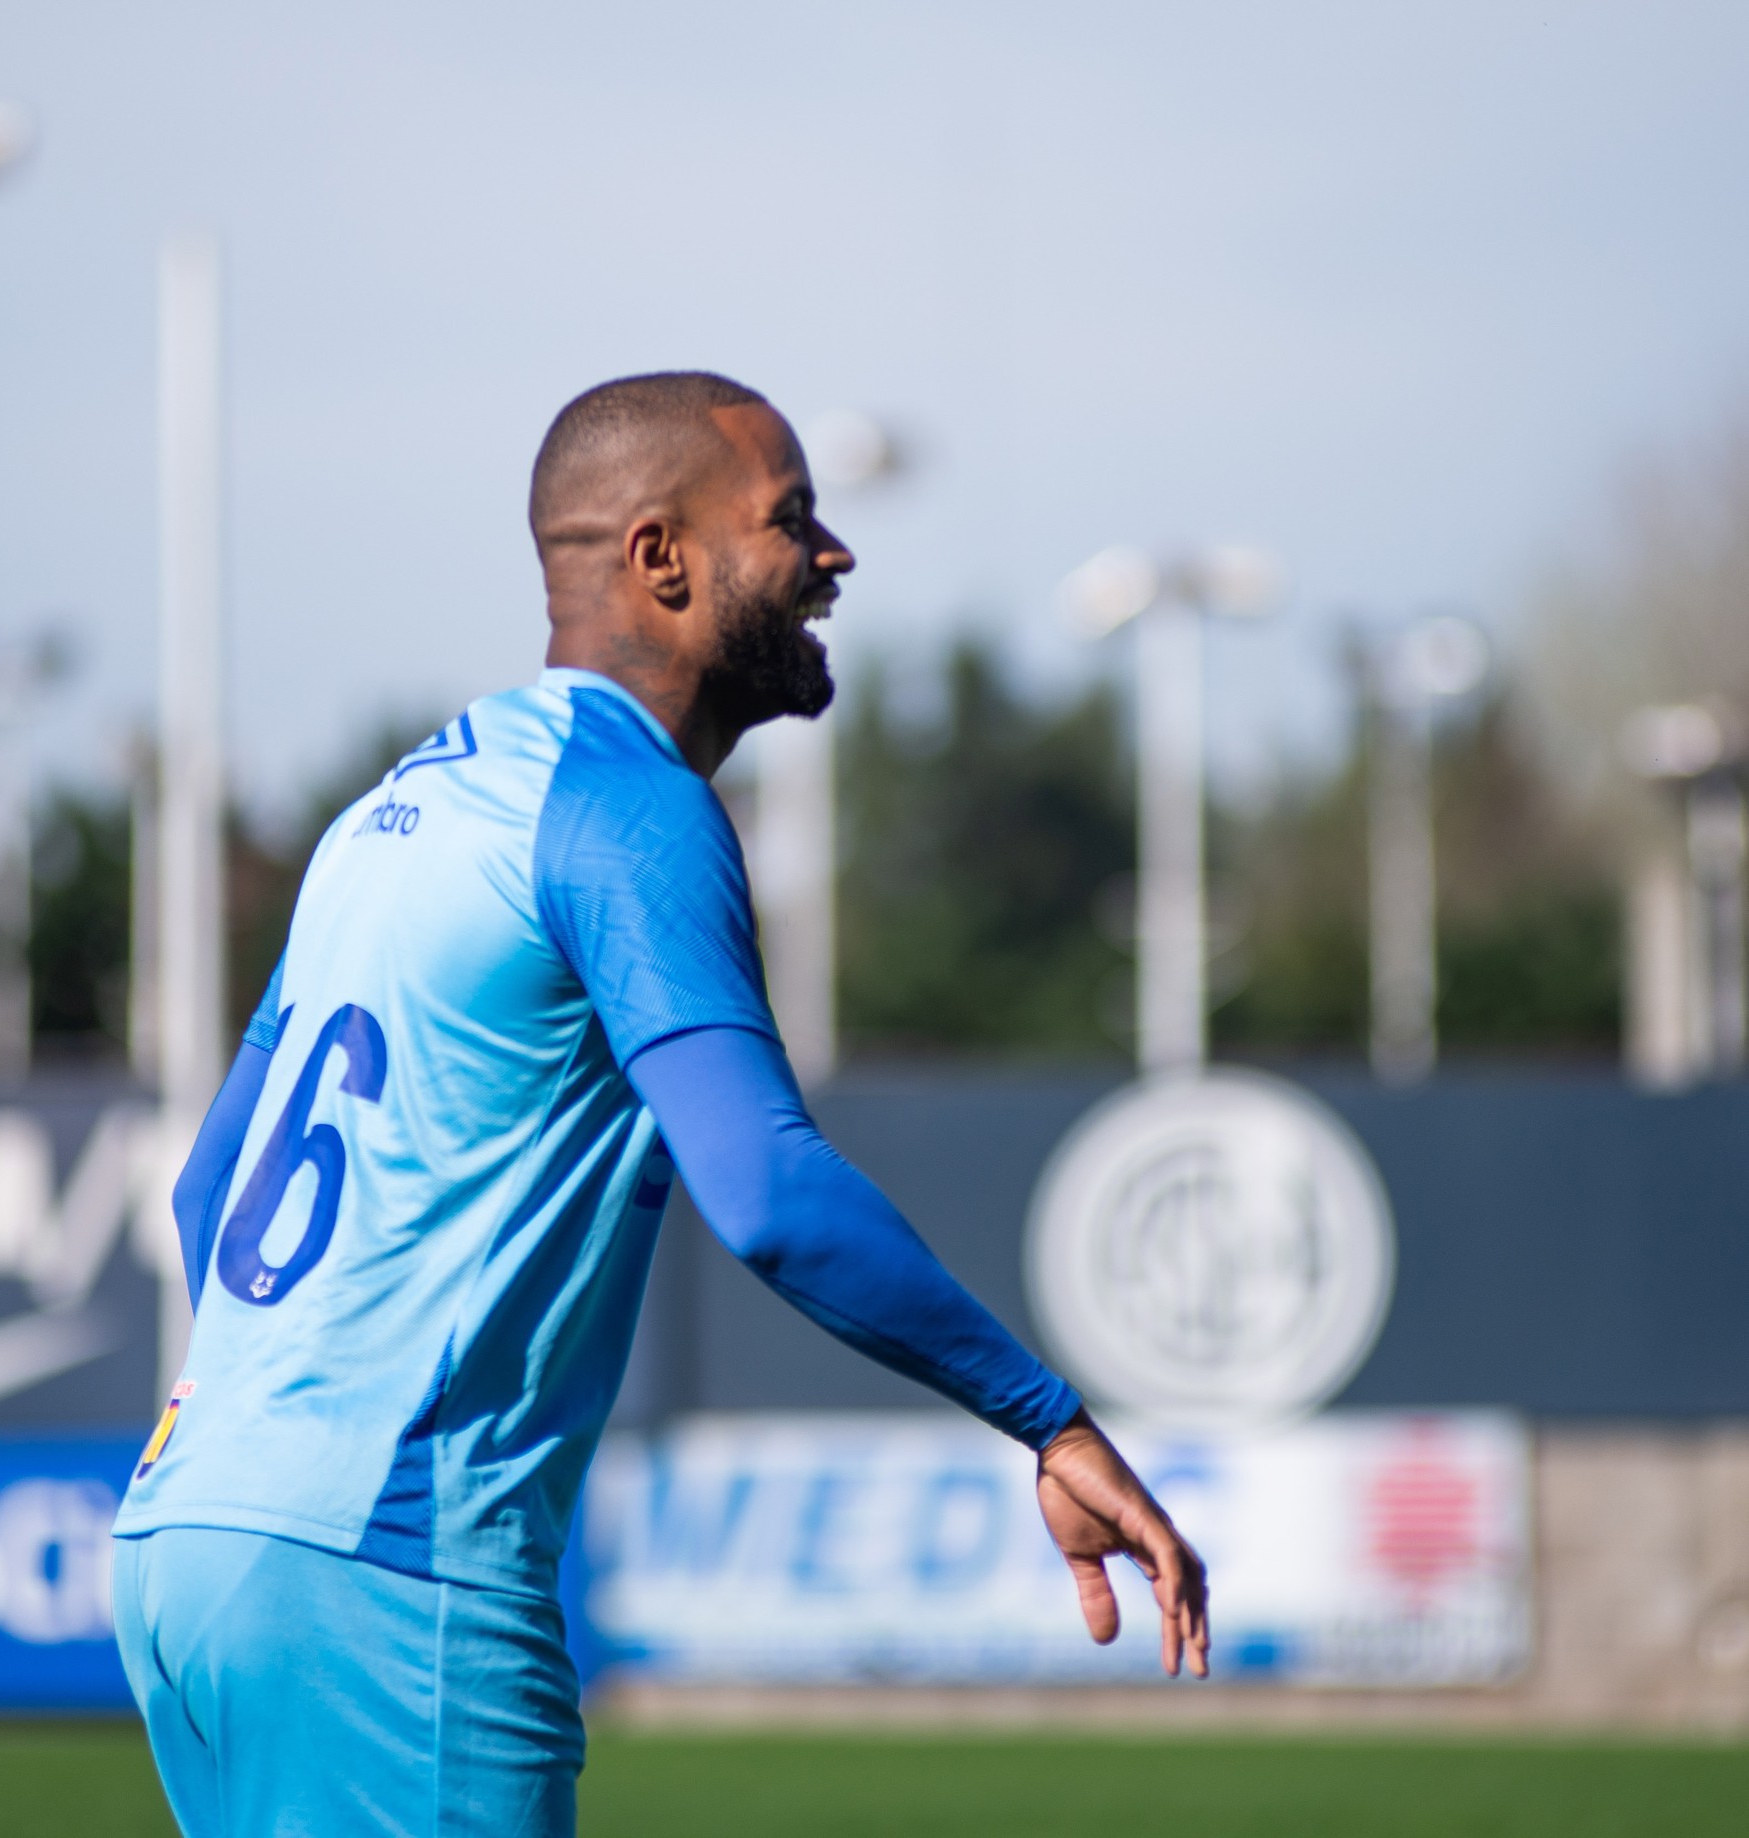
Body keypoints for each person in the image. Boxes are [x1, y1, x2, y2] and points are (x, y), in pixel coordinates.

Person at [112, 371, 1208, 1837]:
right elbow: (765, 1194)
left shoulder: (389, 816)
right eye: (792, 520)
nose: (835, 559)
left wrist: (284, 1444)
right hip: (385, 1563)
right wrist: (1052, 1422)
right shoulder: (625, 804)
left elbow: (208, 1190)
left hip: (191, 1536)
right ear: (661, 558)